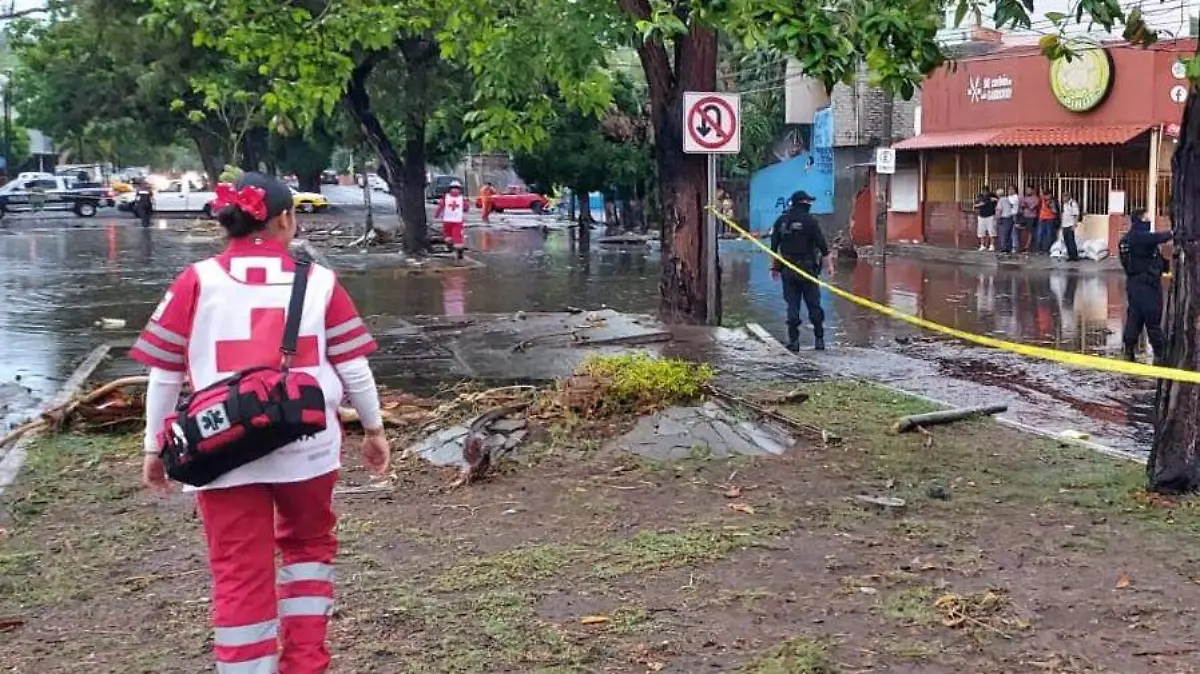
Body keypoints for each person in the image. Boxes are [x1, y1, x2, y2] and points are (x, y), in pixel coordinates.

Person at [131, 172, 390, 674]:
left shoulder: (195, 281)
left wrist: (153, 446)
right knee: (309, 549)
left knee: (238, 573)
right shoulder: (318, 281)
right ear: (285, 220)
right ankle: (305, 664)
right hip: (308, 447)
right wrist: (375, 430)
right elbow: (354, 366)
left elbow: (163, 374)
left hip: (221, 451)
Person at [770, 190, 833, 352]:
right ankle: (819, 341)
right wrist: (829, 266)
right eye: (809, 202)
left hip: (788, 270)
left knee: (792, 305)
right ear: (804, 203)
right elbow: (823, 247)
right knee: (814, 305)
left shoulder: (781, 221)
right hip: (808, 269)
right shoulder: (811, 221)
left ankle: (794, 342)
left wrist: (775, 268)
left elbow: (773, 248)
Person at [1118, 209, 1172, 363]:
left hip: (1135, 285)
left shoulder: (1129, 239)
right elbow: (1159, 238)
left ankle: (1129, 351)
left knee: (1135, 317)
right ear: (1140, 220)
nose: (1149, 222)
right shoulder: (1139, 237)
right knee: (1152, 319)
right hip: (1147, 285)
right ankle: (1161, 355)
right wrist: (1175, 233)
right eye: (1146, 219)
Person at [435, 180, 469, 259]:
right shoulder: (462, 199)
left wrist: (436, 215)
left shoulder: (445, 197)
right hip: (458, 221)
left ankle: (451, 248)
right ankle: (459, 252)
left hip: (447, 220)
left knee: (447, 235)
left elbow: (440, 207)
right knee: (457, 237)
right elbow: (466, 208)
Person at [1035, 188, 1060, 254]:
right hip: (1042, 219)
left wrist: (1051, 206)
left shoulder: (1053, 201)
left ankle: (1049, 249)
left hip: (1050, 219)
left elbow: (1056, 211)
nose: (1045, 196)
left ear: (1050, 195)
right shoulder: (1041, 200)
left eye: (1047, 195)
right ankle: (1039, 249)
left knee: (1049, 235)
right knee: (1039, 234)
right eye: (1044, 195)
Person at [974, 185, 998, 251]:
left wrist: (995, 199)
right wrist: (980, 204)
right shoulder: (980, 197)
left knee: (991, 231)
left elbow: (998, 203)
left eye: (986, 191)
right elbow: (975, 205)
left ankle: (992, 245)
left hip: (990, 216)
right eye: (983, 191)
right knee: (981, 231)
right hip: (981, 216)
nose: (984, 192)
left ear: (988, 191)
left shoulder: (992, 196)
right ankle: (982, 245)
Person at [995, 186, 1016, 254]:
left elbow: (999, 210)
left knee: (1003, 234)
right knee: (1009, 234)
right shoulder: (1007, 199)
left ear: (998, 195)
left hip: (1004, 219)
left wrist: (997, 218)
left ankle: (1004, 249)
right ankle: (1008, 248)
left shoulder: (1000, 200)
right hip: (1010, 218)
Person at [1019, 186, 1040, 253]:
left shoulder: (1036, 198)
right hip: (1024, 216)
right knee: (1024, 231)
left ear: (1032, 190)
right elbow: (1021, 205)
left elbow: (1032, 207)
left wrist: (1026, 204)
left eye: (1029, 190)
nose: (1027, 191)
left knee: (1030, 232)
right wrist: (1024, 205)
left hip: (1032, 217)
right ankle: (1023, 246)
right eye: (1026, 190)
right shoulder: (1025, 197)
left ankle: (1027, 247)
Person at [1060, 194, 1081, 262]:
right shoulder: (1064, 204)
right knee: (1066, 241)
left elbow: (1076, 214)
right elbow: (1063, 214)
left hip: (1070, 225)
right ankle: (1070, 256)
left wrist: (1074, 224)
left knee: (1071, 241)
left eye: (1064, 197)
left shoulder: (1073, 203)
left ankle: (1075, 256)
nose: (1063, 199)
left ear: (1068, 197)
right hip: (1064, 225)